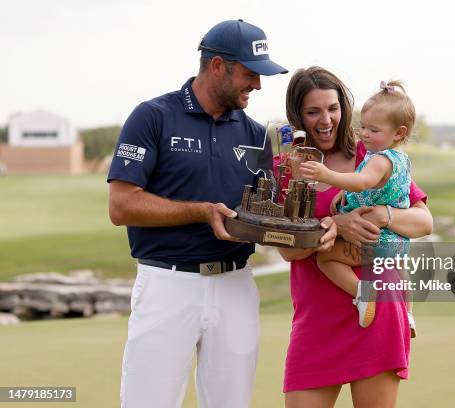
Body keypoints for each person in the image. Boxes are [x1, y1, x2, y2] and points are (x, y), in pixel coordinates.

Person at [107, 20, 325, 408]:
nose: (257, 84)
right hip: (167, 283)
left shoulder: (258, 134)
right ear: (217, 66)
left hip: (236, 284)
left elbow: (271, 207)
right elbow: (121, 205)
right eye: (249, 73)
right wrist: (200, 211)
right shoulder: (153, 117)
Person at [277, 66, 433, 407]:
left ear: (343, 108)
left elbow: (423, 221)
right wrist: (337, 224)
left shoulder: (373, 156)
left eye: (332, 108)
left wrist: (383, 215)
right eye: (313, 111)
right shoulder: (285, 166)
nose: (325, 120)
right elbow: (288, 252)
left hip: (376, 315)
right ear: (297, 115)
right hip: (316, 320)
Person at [300, 80, 415, 329]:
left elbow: (363, 182)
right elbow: (376, 191)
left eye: (373, 130)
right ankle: (408, 315)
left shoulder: (380, 160)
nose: (364, 134)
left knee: (326, 258)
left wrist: (326, 175)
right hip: (397, 244)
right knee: (401, 269)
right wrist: (345, 193)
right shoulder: (401, 160)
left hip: (375, 241)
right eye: (363, 127)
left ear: (399, 133)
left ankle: (362, 293)